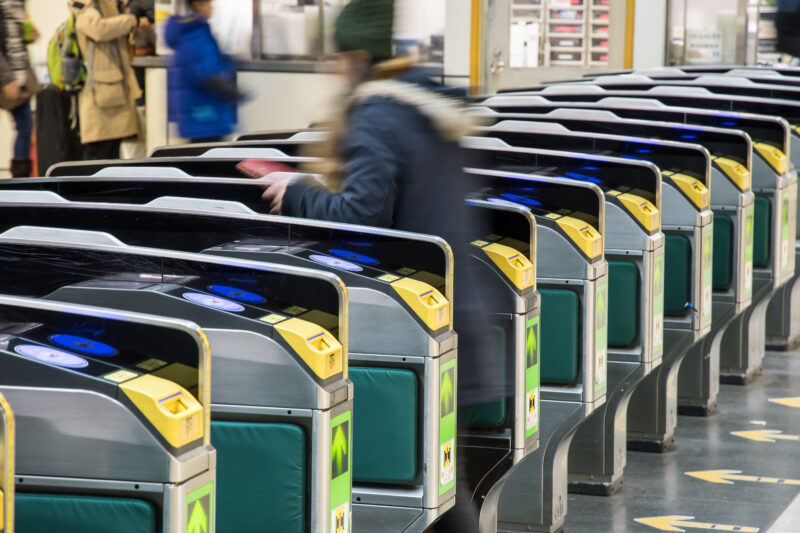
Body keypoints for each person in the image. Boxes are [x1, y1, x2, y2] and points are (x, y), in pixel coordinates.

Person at [260, 1, 503, 531]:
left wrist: (298, 191)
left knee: (435, 494)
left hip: (419, 324)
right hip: (454, 312)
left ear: (355, 57)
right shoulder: (423, 104)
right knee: (442, 488)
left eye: (336, 56)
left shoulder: (375, 113)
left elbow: (365, 212)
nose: (331, 68)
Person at [69, 0, 142, 160]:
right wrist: (130, 20)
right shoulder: (86, 5)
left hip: (114, 89)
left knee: (112, 152)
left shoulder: (108, 5)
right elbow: (98, 29)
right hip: (100, 91)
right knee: (98, 152)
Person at [165, 0, 240, 144]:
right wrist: (233, 92)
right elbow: (206, 73)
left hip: (198, 114)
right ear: (197, 5)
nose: (212, 7)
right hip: (205, 115)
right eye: (207, 3)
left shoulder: (191, 32)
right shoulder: (196, 33)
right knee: (208, 160)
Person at [0, 0, 38, 177]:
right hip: (8, 76)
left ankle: (20, 182)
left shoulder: (17, 4)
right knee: (24, 127)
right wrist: (6, 78)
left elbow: (13, 39)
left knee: (25, 128)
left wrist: (28, 35)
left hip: (19, 75)